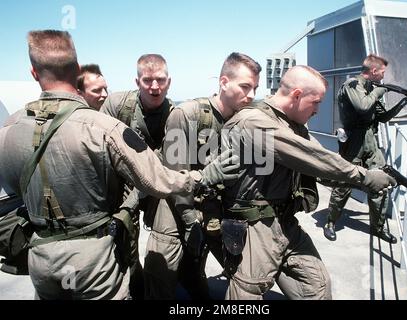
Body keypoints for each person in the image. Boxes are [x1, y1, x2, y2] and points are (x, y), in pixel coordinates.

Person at [0, 29, 237, 300]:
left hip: (40, 255)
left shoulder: (10, 128)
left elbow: (12, 189)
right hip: (93, 258)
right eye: (147, 80)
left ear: (33, 72)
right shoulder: (104, 126)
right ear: (77, 70)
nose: (154, 86)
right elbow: (156, 179)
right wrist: (202, 177)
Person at [220, 65, 397, 300]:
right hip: (254, 228)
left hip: (285, 223)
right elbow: (310, 157)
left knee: (317, 287)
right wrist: (364, 178)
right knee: (248, 293)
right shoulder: (253, 122)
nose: (317, 110)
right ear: (296, 96)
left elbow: (322, 165)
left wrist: (363, 175)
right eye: (316, 102)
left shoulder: (293, 126)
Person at [143, 52, 261, 299]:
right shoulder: (187, 114)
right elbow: (173, 175)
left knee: (203, 279)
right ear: (223, 82)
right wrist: (189, 220)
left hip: (213, 209)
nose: (251, 95)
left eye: (255, 88)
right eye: (245, 86)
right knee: (160, 281)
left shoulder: (245, 120)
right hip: (175, 209)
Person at [323, 54, 407, 244]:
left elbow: (383, 117)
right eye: (382, 72)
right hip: (353, 143)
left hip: (370, 142)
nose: (384, 76)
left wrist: (405, 101)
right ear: (373, 71)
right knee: (344, 185)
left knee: (381, 184)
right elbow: (363, 106)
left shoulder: (371, 88)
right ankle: (330, 222)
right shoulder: (352, 84)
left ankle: (378, 227)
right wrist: (380, 91)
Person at [100, 53, 173, 299]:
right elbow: (102, 151)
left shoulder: (175, 115)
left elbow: (163, 167)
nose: (155, 87)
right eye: (148, 80)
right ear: (137, 81)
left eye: (160, 80)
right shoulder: (117, 106)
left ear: (169, 81)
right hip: (122, 183)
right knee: (123, 244)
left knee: (166, 242)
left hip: (155, 185)